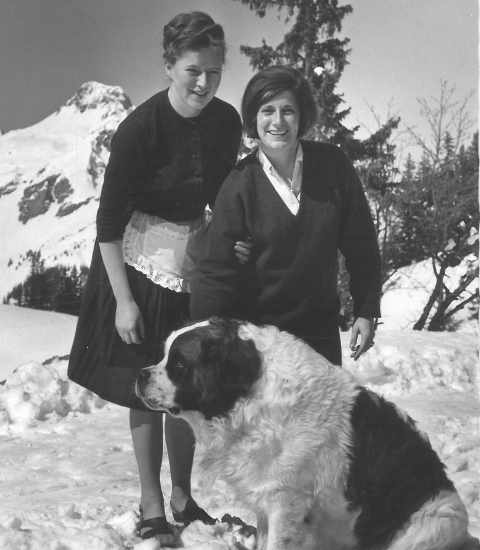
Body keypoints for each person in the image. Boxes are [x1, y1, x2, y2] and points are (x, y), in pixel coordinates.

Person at [67, 11, 247, 543]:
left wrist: (232, 237)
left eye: (214, 71)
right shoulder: (138, 129)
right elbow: (106, 226)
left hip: (189, 269)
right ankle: (151, 504)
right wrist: (124, 302)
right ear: (169, 65)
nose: (204, 83)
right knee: (145, 391)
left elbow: (219, 196)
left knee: (185, 388)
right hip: (138, 269)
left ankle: (183, 499)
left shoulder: (225, 120)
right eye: (194, 69)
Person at [190, 65, 382, 365]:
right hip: (260, 344)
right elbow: (215, 273)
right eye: (267, 110)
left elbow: (361, 244)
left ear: (301, 116)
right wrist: (204, 340)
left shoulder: (333, 165)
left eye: (288, 111)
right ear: (254, 117)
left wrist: (367, 310)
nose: (277, 121)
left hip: (320, 338)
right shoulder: (239, 183)